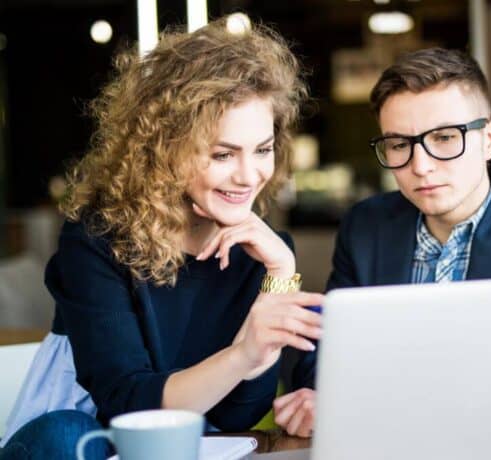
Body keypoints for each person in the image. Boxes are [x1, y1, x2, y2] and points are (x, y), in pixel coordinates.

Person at [0, 18, 323, 459]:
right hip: (85, 444)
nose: (250, 177)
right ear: (166, 148)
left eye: (262, 149)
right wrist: (244, 352)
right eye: (223, 153)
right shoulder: (96, 241)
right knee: (65, 433)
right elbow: (127, 407)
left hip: (187, 449)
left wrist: (281, 272)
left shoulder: (262, 248)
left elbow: (237, 417)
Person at [272, 47, 491, 436]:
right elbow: (325, 355)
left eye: (446, 137)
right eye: (399, 145)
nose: (421, 166)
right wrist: (320, 397)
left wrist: (368, 402)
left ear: (489, 139)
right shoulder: (366, 225)